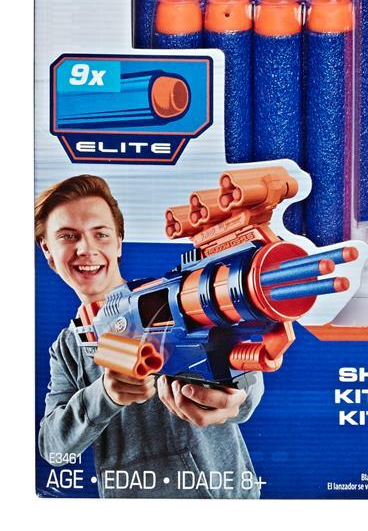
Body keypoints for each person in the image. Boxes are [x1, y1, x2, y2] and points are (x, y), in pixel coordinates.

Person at [36, 174, 264, 498]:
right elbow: (54, 448)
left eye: (101, 234)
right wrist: (105, 395)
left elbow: (245, 387)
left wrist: (236, 393)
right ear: (47, 250)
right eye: (68, 236)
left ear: (118, 242)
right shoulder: (68, 347)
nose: (86, 249)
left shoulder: (175, 298)